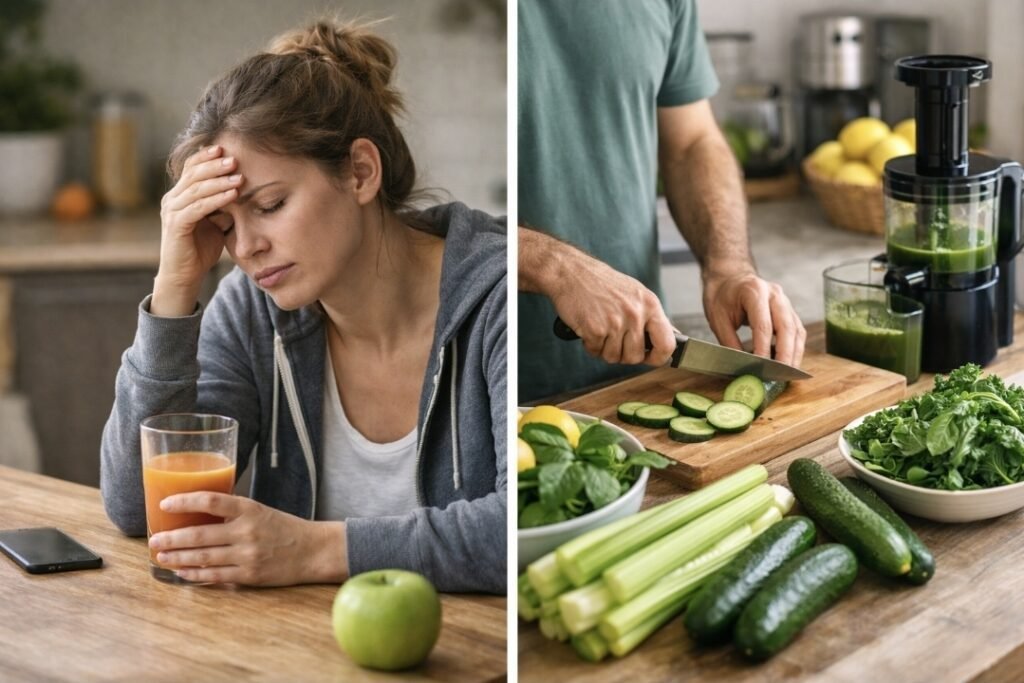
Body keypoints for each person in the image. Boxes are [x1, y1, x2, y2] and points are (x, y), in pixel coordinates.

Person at [100, 18, 506, 593]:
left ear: (360, 172)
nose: (245, 248)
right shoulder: (250, 309)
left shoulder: (494, 299)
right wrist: (173, 289)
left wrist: (313, 549)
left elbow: (518, 526)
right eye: (224, 224)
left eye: (270, 204)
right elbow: (136, 509)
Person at [517, 0, 806, 402]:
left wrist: (728, 266)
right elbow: (413, 213)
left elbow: (692, 142)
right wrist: (555, 266)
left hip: (640, 376)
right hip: (488, 384)